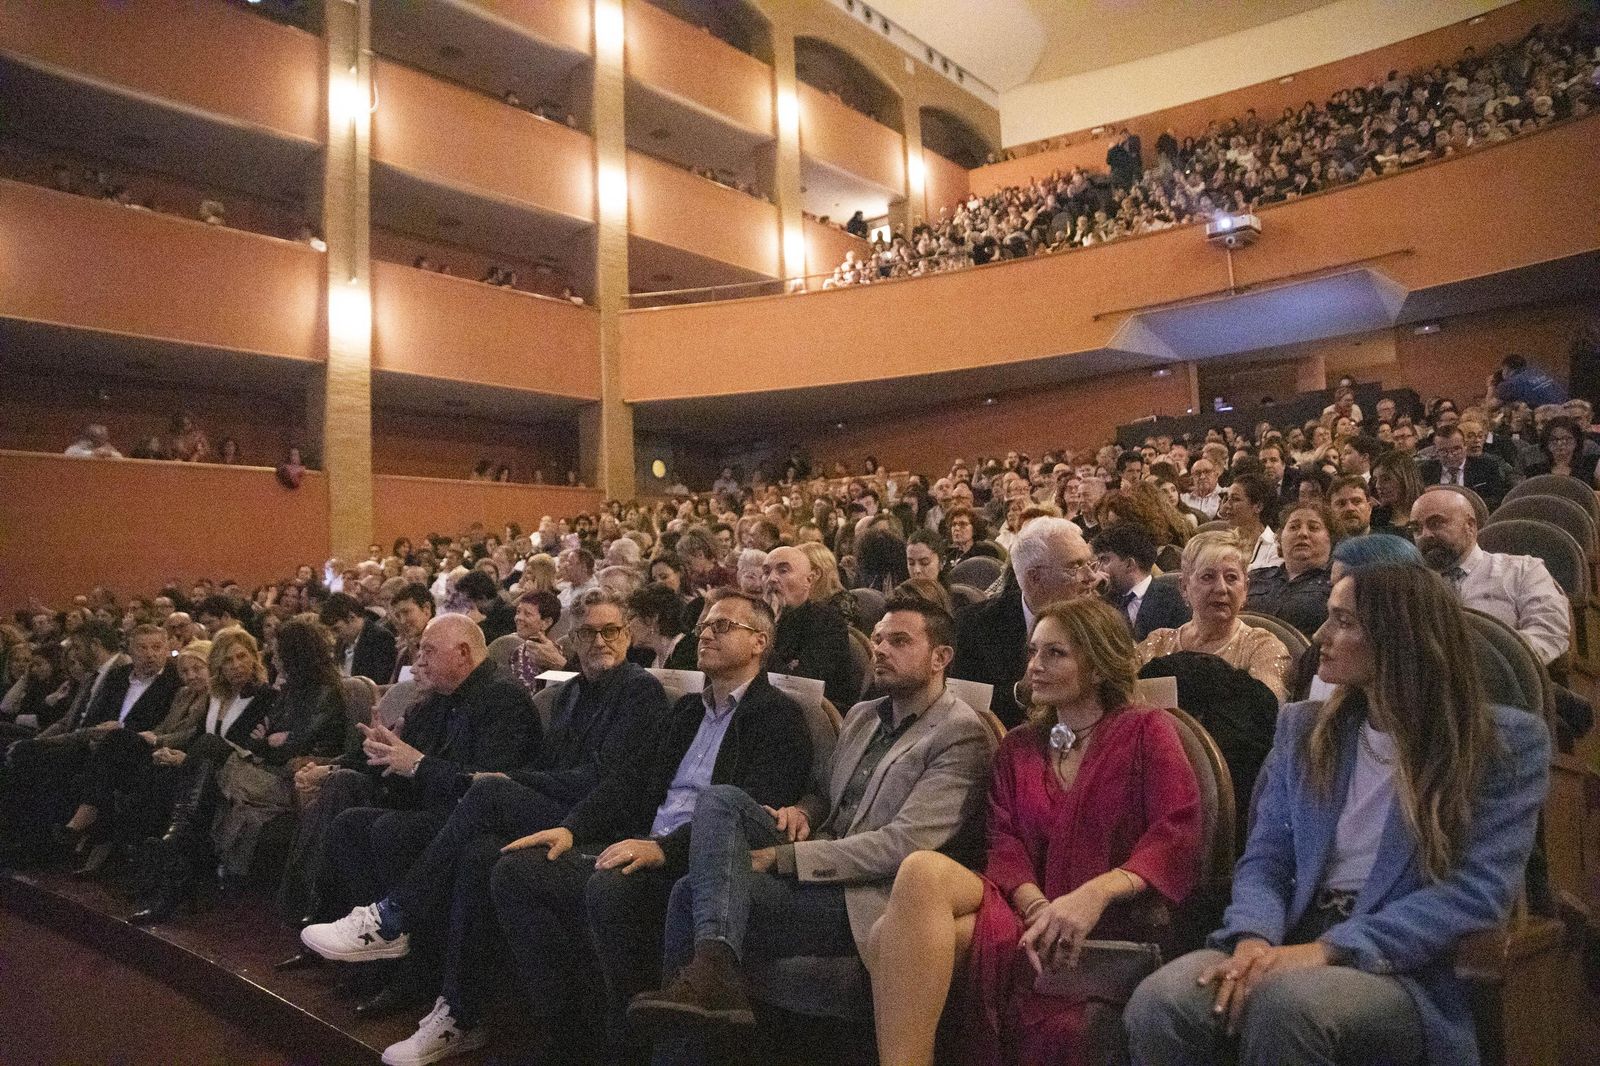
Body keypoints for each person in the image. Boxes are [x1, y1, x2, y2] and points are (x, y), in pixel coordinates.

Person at [1126, 566, 1550, 1066]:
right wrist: (1253, 937)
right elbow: (1266, 858)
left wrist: (1329, 949)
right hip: (1287, 932)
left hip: (1403, 966)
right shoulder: (1303, 730)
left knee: (1288, 1009)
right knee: (1161, 1003)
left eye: (1344, 621)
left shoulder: (1504, 744)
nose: (1322, 637)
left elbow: (1475, 894)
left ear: (1402, 637)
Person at [628, 597, 996, 1060]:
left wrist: (783, 858)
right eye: (878, 638)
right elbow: (823, 793)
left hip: (872, 894)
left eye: (899, 641)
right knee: (721, 801)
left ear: (941, 657)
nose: (880, 649)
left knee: (688, 894)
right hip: (819, 856)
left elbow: (904, 846)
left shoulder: (960, 734)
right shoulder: (864, 715)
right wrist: (803, 809)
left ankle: (697, 1013)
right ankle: (714, 975)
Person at [299, 590, 669, 1050]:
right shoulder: (572, 692)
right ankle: (459, 1013)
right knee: (478, 852)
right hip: (563, 804)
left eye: (610, 630)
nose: (600, 641)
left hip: (603, 820)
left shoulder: (640, 689)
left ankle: (395, 916)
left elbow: (608, 781)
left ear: (628, 635)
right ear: (572, 638)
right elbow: (551, 770)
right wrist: (513, 779)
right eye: (588, 632)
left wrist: (509, 779)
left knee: (487, 790)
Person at [864, 597, 1201, 1066]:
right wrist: (1038, 905)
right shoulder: (1021, 745)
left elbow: (1174, 835)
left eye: (1055, 654)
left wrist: (1093, 895)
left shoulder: (1147, 730)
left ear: (1099, 664)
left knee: (886, 935)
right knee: (920, 872)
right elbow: (1004, 845)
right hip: (1026, 909)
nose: (1034, 666)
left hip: (1110, 919)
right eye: (1033, 651)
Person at [489, 591, 812, 1064]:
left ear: (759, 641)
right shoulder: (686, 710)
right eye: (703, 625)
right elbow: (632, 782)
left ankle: (628, 1047)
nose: (705, 633)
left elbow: (749, 817)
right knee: (517, 873)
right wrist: (573, 829)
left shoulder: (779, 717)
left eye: (722, 627)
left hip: (693, 862)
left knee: (610, 890)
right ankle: (570, 1035)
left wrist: (664, 850)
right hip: (644, 840)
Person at [274, 615, 538, 939]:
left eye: (428, 652)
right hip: (429, 801)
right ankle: (346, 931)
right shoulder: (442, 695)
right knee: (348, 818)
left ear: (463, 653)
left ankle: (393, 942)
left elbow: (488, 782)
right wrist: (381, 750)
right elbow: (405, 756)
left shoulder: (503, 698)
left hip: (469, 818)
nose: (419, 662)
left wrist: (414, 761)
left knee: (388, 828)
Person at [58, 638, 211, 877]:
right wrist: (150, 737)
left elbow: (191, 734)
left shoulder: (213, 696)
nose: (191, 676)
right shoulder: (183, 694)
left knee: (117, 746)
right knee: (112, 756)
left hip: (182, 757)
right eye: (185, 670)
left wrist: (156, 740)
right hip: (159, 748)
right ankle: (99, 837)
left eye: (197, 669)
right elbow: (165, 725)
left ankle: (90, 826)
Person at [952, 518, 1101, 727]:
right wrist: (1018, 693)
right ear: (1034, 578)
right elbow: (962, 705)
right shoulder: (975, 626)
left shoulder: (1106, 618)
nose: (1091, 576)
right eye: (1074, 567)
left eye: (1090, 563)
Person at [1408, 488, 1570, 666]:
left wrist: (1484, 664)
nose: (1424, 535)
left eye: (1437, 523)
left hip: (1508, 682)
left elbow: (1547, 633)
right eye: (1416, 528)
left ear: (1470, 525)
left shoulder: (1522, 570)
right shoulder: (1410, 586)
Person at [1138, 531, 1293, 701]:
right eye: (1208, 577)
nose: (1221, 588)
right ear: (1184, 587)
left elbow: (1265, 712)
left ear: (1245, 588)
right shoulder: (1157, 644)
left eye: (1231, 578)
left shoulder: (1262, 648)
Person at [762, 546, 857, 709]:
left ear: (809, 580)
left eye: (783, 571)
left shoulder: (827, 621)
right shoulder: (756, 618)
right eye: (766, 572)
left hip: (813, 715)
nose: (772, 578)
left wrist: (766, 630)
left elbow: (798, 686)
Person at [1244, 502, 1337, 637]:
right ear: (1280, 538)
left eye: (1313, 528)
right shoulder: (1253, 577)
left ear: (1331, 538)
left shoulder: (1337, 587)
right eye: (1293, 527)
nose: (1303, 533)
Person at [1093, 525, 1189, 639]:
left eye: (1105, 560)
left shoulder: (1171, 599)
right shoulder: (1102, 603)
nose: (1099, 569)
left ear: (1129, 564)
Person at [1416, 426, 1513, 510]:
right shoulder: (1424, 471)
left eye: (1456, 449)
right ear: (1435, 451)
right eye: (1443, 451)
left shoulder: (1486, 467)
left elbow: (1497, 499)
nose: (1451, 455)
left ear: (1465, 446)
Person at [320, 592, 398, 684]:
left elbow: (380, 681)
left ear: (351, 617)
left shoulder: (380, 638)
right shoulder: (342, 643)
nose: (334, 635)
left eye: (336, 629)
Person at [1218, 475, 1282, 572]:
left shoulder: (1275, 547)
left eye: (1235, 499)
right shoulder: (1221, 542)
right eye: (1227, 499)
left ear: (1258, 507)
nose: (1227, 505)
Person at [628, 583, 698, 670]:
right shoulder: (646, 657)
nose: (627, 625)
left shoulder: (690, 650)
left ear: (652, 619)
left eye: (630, 618)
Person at [1521, 414, 1599, 483]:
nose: (1560, 443)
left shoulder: (1591, 465)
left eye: (1567, 439)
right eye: (1554, 439)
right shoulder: (1534, 471)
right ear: (1546, 442)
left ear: (1577, 441)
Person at [1368, 450, 1423, 534]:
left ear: (1405, 479)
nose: (1378, 485)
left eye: (1386, 479)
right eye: (1375, 480)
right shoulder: (1374, 517)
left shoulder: (1427, 514)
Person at [457, 570, 517, 645]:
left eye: (467, 601)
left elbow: (499, 645)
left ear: (482, 597)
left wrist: (478, 625)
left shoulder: (508, 615)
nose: (467, 606)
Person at [1492, 352, 1566, 408]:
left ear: (1506, 369)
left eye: (1502, 370)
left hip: (1547, 418)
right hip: (1566, 411)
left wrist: (1490, 386)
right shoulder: (1537, 372)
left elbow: (1491, 407)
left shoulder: (1509, 384)